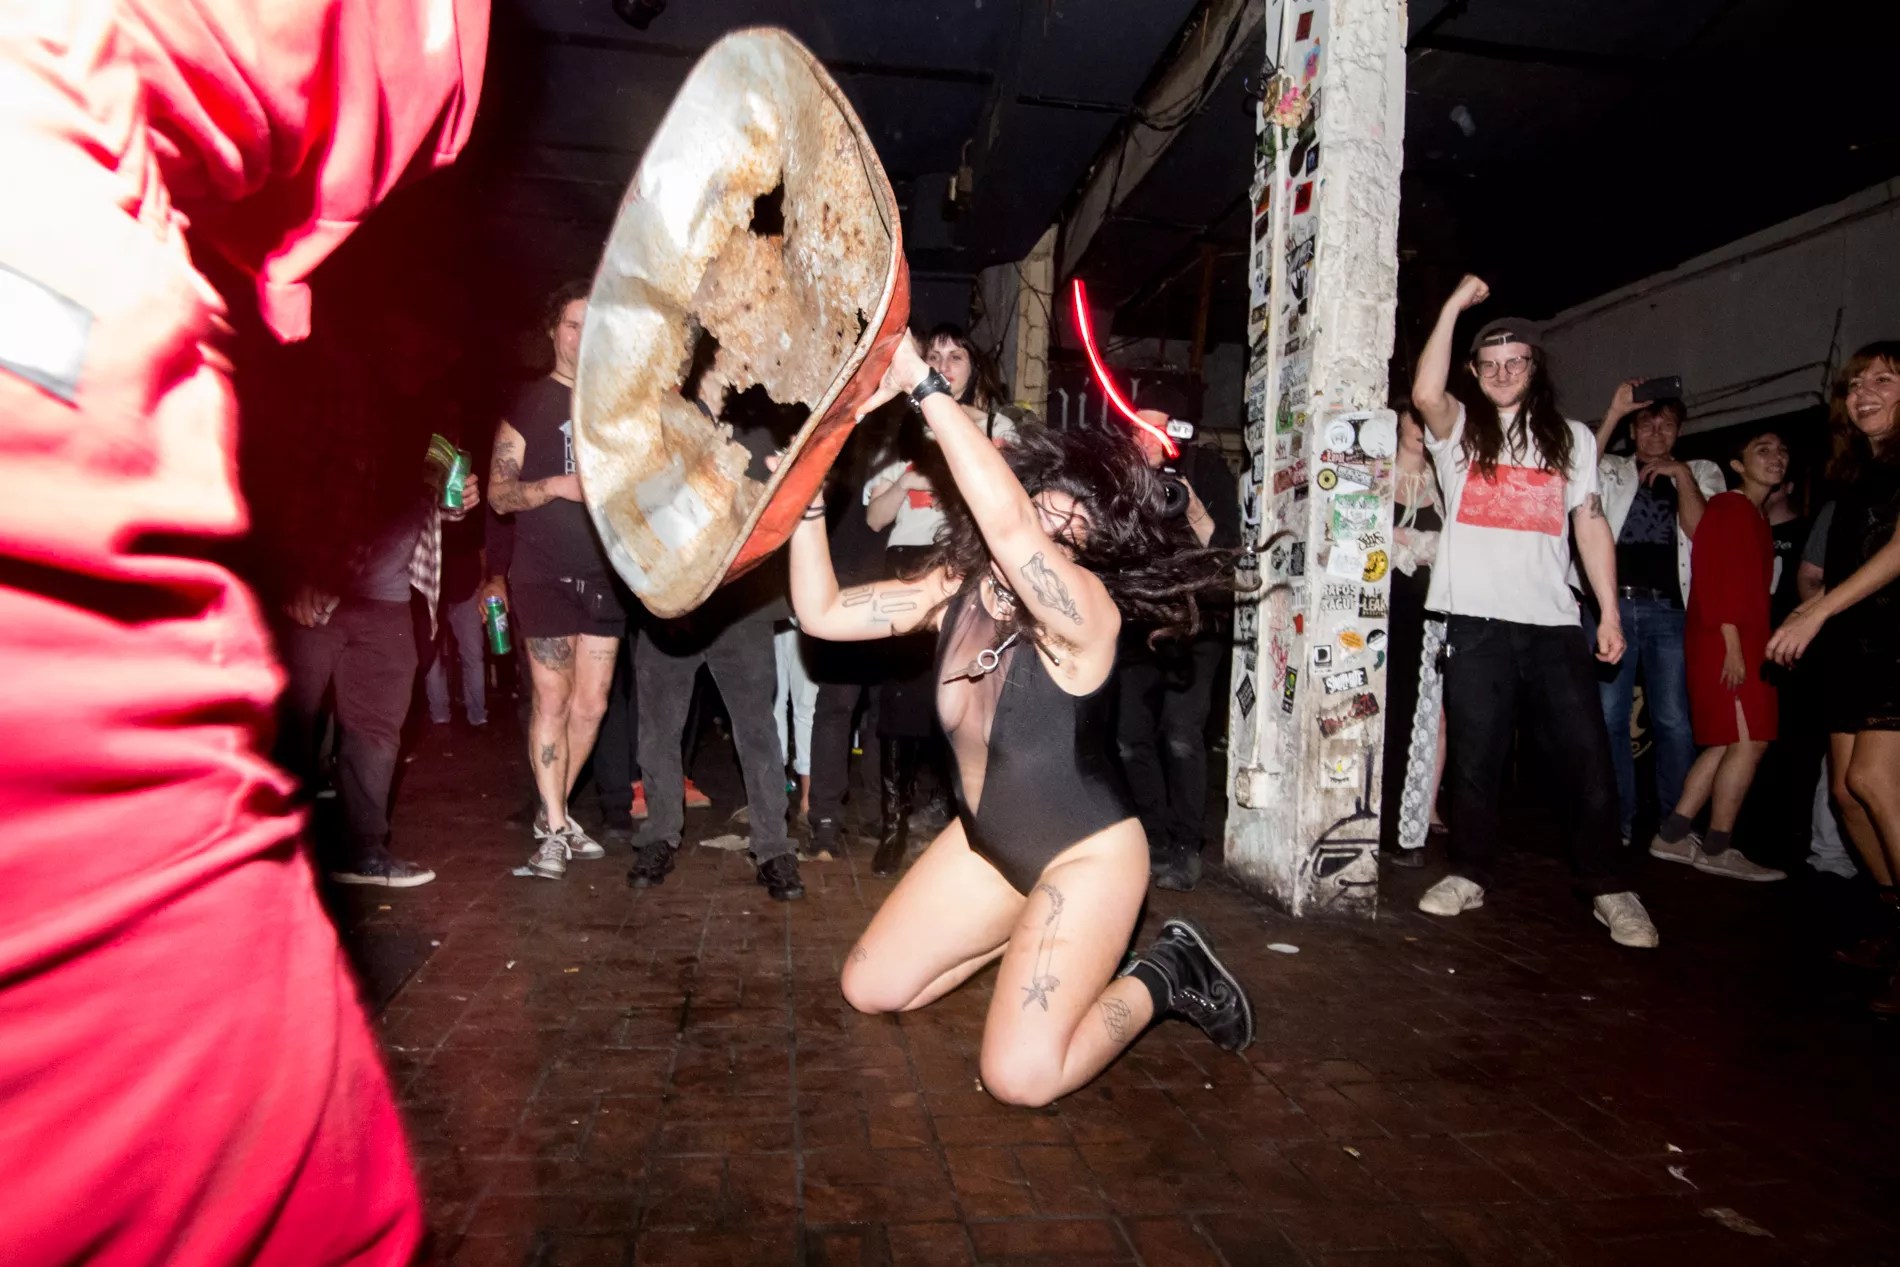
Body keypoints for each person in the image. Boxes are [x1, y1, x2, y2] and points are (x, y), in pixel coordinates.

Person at [0, 2, 485, 1260]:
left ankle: (362, 845)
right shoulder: (65, 110)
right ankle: (337, 838)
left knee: (363, 723)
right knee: (301, 724)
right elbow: (382, 68)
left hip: (152, 847)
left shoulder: (412, 416)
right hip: (136, 901)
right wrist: (307, 575)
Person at [789, 333, 1253, 1109]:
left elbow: (1010, 532)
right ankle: (1045, 933)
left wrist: (923, 383)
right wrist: (804, 495)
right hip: (990, 846)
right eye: (1047, 505)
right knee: (868, 985)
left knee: (1020, 1076)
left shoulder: (1089, 614)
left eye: (1075, 526)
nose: (1054, 527)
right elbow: (823, 612)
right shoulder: (955, 587)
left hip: (1088, 861)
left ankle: (1167, 972)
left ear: (1094, 548)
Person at [1409, 276, 1658, 948]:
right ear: (1474, 372)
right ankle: (1468, 871)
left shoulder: (1573, 439)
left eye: (1514, 362)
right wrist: (1452, 306)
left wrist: (1608, 613)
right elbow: (1426, 394)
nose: (1501, 373)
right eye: (1488, 365)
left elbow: (1591, 525)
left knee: (1586, 756)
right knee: (1476, 756)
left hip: (1552, 623)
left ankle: (1609, 886)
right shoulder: (1460, 432)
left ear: (1535, 366)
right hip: (1474, 621)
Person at [281, 446, 479, 887]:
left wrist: (454, 505)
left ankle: (362, 851)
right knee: (288, 722)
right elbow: (281, 485)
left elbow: (412, 503)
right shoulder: (333, 414)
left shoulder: (425, 432)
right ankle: (262, 851)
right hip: (317, 589)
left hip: (388, 598)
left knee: (376, 732)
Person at [626, 419, 807, 902]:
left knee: (757, 731)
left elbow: (775, 516)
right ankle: (660, 835)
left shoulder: (760, 417)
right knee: (658, 731)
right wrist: (661, 594)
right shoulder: (659, 417)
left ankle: (773, 848)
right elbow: (636, 511)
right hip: (669, 603)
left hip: (740, 607)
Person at [1769, 342, 1900, 1008]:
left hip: (1895, 640)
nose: (1864, 393)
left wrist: (1819, 613)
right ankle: (1894, 923)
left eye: (1884, 380)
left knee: (1873, 780)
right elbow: (1845, 568)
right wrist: (1808, 612)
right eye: (1855, 384)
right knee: (1847, 795)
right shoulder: (1858, 474)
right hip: (1855, 643)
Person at [860, 326, 1018, 874]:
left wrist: (944, 416)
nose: (945, 365)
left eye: (956, 357)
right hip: (907, 565)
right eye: (935, 356)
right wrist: (908, 481)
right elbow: (874, 518)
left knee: (968, 699)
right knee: (901, 700)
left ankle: (974, 825)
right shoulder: (903, 432)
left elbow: (1007, 491)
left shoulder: (995, 427)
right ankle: (893, 828)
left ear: (974, 369)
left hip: (967, 564)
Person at [488, 282, 621, 880]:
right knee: (553, 697)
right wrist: (556, 487)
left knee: (592, 705)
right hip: (542, 574)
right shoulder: (530, 402)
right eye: (572, 324)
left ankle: (553, 819)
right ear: (553, 333)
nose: (582, 336)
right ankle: (557, 824)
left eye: (593, 325)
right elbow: (498, 493)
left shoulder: (616, 404)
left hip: (605, 576)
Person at [1648, 431, 1788, 881]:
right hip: (1729, 639)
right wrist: (1732, 645)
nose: (1777, 457)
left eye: (1782, 450)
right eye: (1762, 450)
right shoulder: (1731, 506)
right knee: (1750, 741)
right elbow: (1713, 572)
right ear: (1738, 466)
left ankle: (1673, 835)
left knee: (1729, 741)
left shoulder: (1752, 514)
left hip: (1742, 638)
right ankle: (1717, 847)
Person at [1591, 386, 1726, 845]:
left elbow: (1703, 532)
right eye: (1646, 423)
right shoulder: (1612, 468)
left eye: (1666, 424)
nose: (1655, 431)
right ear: (1632, 430)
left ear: (1679, 431)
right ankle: (1619, 821)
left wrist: (1681, 476)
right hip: (1611, 607)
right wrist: (1614, 412)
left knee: (1673, 718)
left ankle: (1676, 826)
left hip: (1669, 610)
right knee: (1608, 715)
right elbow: (1576, 472)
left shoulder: (1702, 471)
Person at [1116, 400, 1240, 890]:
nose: (1149, 439)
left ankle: (1188, 846)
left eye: (1161, 429)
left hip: (1198, 622)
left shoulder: (1206, 469)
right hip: (1140, 622)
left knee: (1182, 734)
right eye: (1140, 429)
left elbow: (1225, 549)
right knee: (1129, 738)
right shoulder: (1124, 476)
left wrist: (1189, 504)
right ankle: (1154, 838)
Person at [1384, 407, 1448, 866]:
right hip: (1377, 609)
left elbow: (1455, 545)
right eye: (1417, 418)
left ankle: (1402, 828)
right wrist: (1413, 543)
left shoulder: (1441, 483)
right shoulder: (1375, 474)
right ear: (1400, 420)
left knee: (1415, 717)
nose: (1423, 429)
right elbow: (1359, 533)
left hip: (1426, 612)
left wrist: (1402, 539)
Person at [424, 503, 491, 728]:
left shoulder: (469, 506)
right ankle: (439, 714)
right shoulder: (426, 506)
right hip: (434, 596)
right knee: (433, 658)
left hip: (467, 591)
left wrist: (482, 583)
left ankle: (477, 714)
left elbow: (482, 548)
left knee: (473, 655)